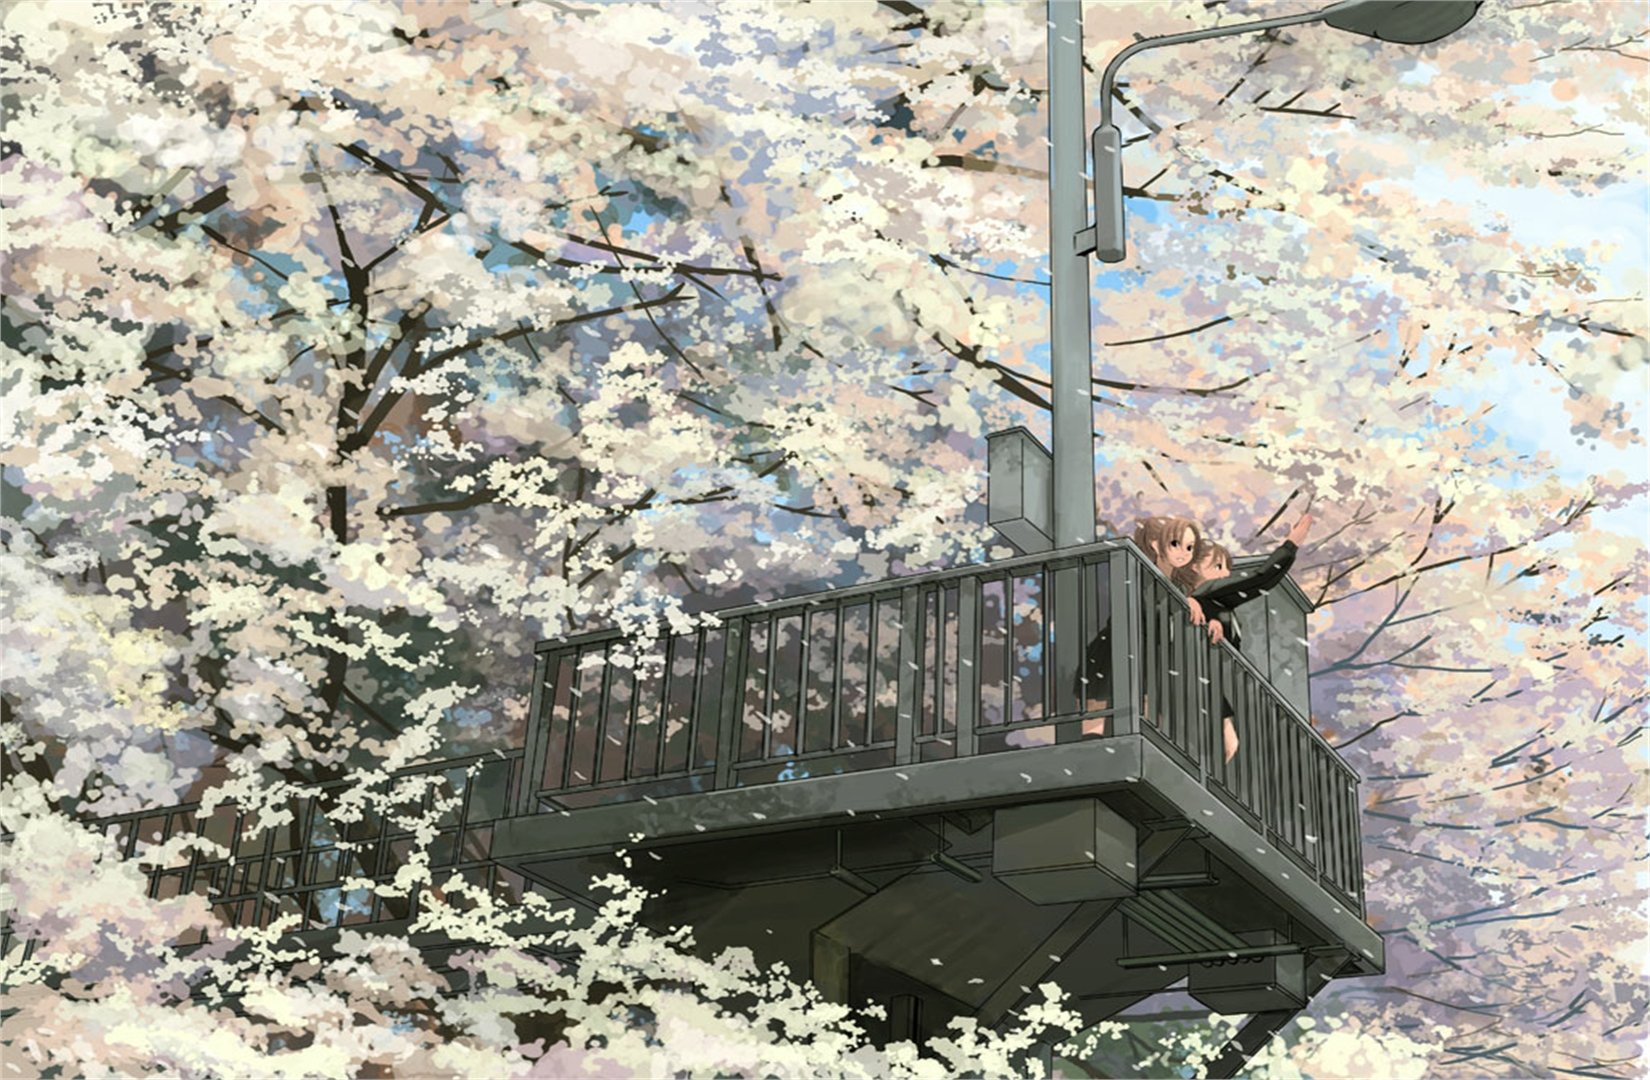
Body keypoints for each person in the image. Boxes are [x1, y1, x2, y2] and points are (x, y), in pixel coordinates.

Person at [1178, 512, 1313, 763]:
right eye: (1218, 566)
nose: (1225, 573)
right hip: (1201, 684)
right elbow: (1260, 579)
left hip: (1207, 686)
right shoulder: (1208, 591)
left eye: (1228, 567)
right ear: (1195, 567)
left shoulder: (1209, 603)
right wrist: (1291, 544)